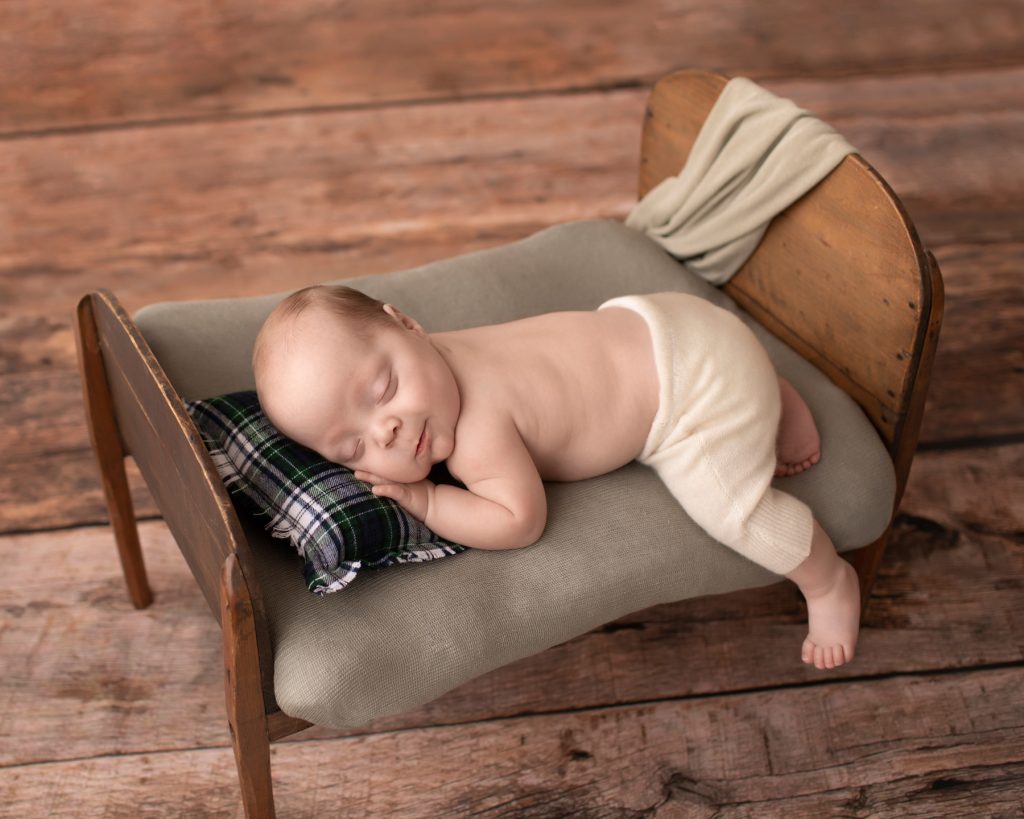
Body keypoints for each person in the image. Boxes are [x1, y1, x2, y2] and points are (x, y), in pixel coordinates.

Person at [252, 284, 860, 670]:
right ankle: (766, 389)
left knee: (734, 511)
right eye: (353, 444)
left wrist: (429, 499)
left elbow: (520, 521)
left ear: (407, 324)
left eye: (382, 390)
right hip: (670, 318)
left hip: (692, 394)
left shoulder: (478, 433)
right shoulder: (437, 352)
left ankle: (829, 580)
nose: (384, 429)